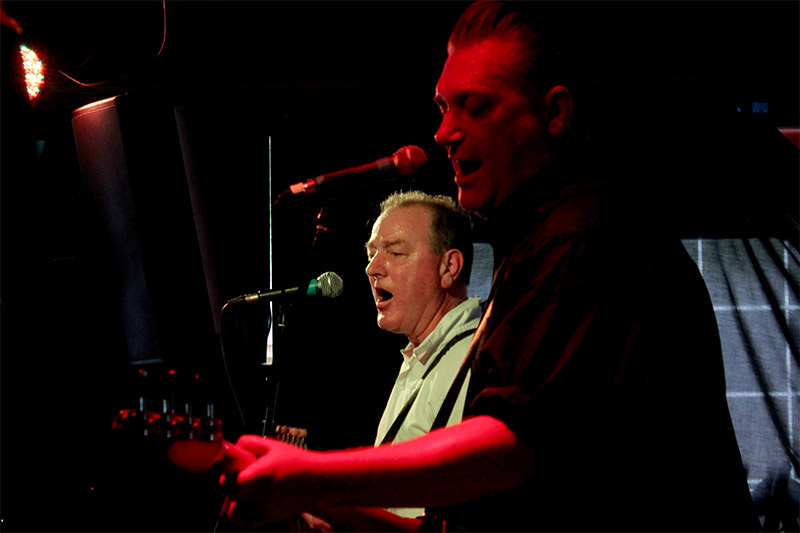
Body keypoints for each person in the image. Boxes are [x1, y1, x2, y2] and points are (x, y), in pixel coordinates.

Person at [219, 2, 757, 531]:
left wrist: (313, 478)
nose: (443, 133)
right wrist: (310, 498)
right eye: (442, 108)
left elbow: (510, 447)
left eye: (475, 106)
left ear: (555, 113)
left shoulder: (582, 237)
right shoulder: (538, 242)